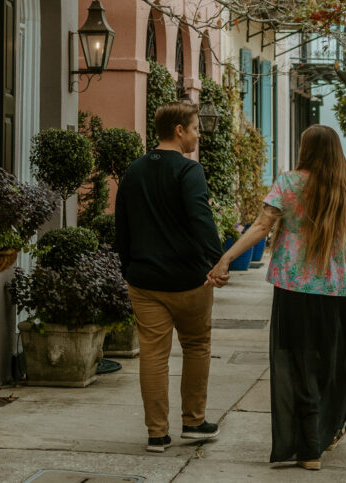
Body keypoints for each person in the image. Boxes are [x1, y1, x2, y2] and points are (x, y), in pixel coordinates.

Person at [206, 124, 346, 471]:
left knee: (298, 365)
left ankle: (309, 447)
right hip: (337, 289)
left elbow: (261, 227)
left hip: (294, 288)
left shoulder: (288, 183)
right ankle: (322, 435)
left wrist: (225, 258)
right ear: (336, 149)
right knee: (332, 365)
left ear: (306, 149)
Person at [114, 101, 226, 453]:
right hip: (189, 279)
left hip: (144, 282)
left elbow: (123, 226)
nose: (197, 135)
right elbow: (201, 219)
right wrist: (217, 260)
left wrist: (128, 267)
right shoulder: (189, 171)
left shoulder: (133, 170)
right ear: (179, 130)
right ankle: (193, 422)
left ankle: (157, 434)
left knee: (153, 355)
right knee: (196, 346)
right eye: (194, 128)